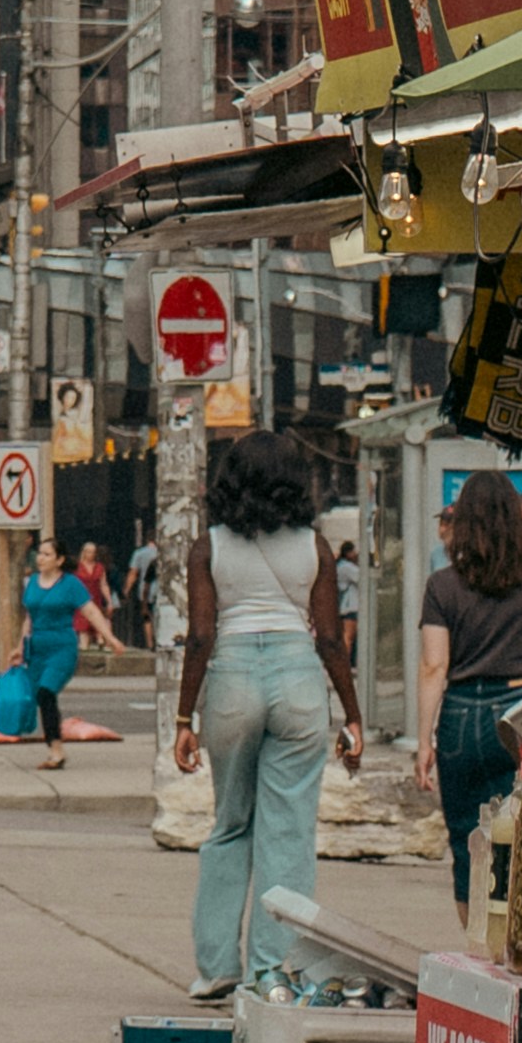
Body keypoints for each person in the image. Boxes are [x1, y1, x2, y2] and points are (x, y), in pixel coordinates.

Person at [172, 428, 358, 1000]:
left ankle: (215, 968)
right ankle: (270, 970)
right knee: (289, 831)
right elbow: (329, 639)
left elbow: (201, 637)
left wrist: (185, 720)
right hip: (299, 681)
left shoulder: (209, 547)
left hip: (230, 681)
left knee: (230, 825)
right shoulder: (315, 546)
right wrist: (352, 717)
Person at [414, 475, 522, 940]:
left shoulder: (442, 585)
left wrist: (423, 741)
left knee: (467, 838)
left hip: (461, 715)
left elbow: (435, 667)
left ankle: (479, 943)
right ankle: (518, 941)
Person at [14, 539, 95, 770]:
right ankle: (53, 748)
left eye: (47, 554)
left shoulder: (71, 584)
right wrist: (19, 648)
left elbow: (89, 610)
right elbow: (28, 618)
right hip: (37, 649)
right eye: (40, 553)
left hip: (62, 648)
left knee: (47, 692)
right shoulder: (31, 583)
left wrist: (110, 638)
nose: (41, 558)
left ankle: (57, 751)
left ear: (59, 560)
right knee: (40, 698)